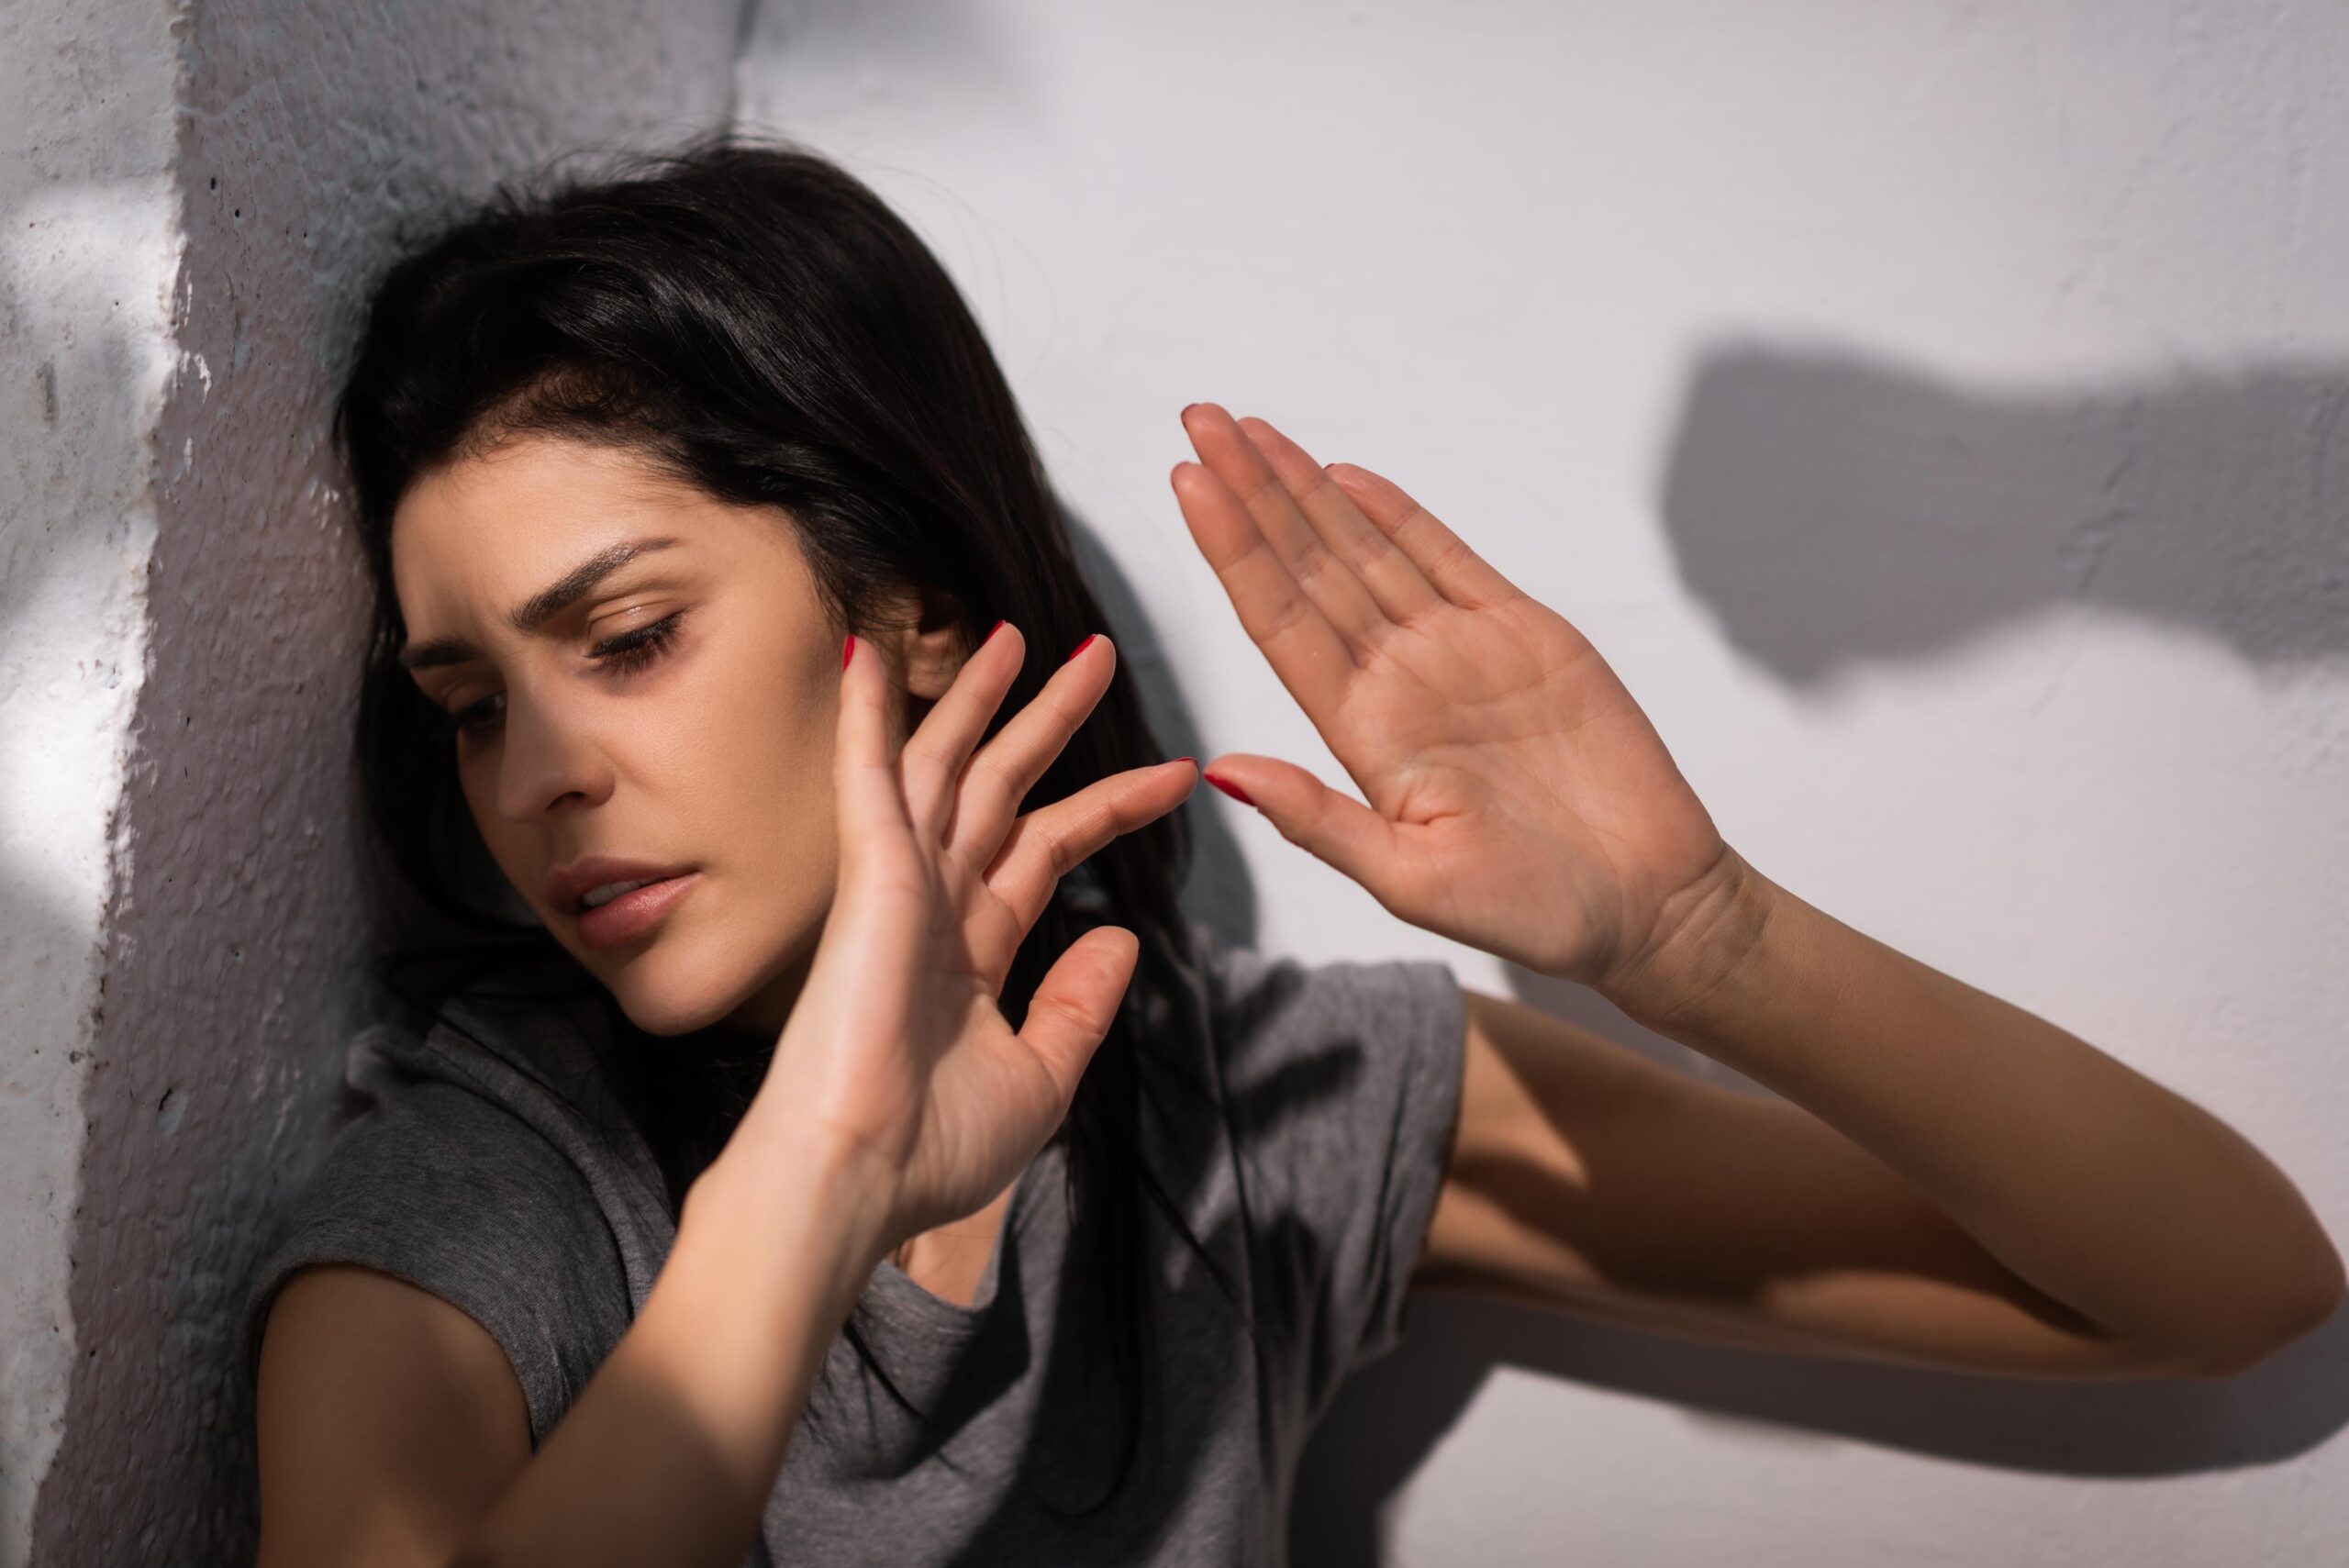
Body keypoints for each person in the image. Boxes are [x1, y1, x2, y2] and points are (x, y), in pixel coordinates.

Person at [240, 129, 2344, 1568]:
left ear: (907, 619)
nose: (538, 777)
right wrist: (817, 1174)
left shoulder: (1235, 1110)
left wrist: (1701, 939)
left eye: (624, 638)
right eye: (469, 705)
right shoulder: (472, 1189)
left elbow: (2218, 1288)